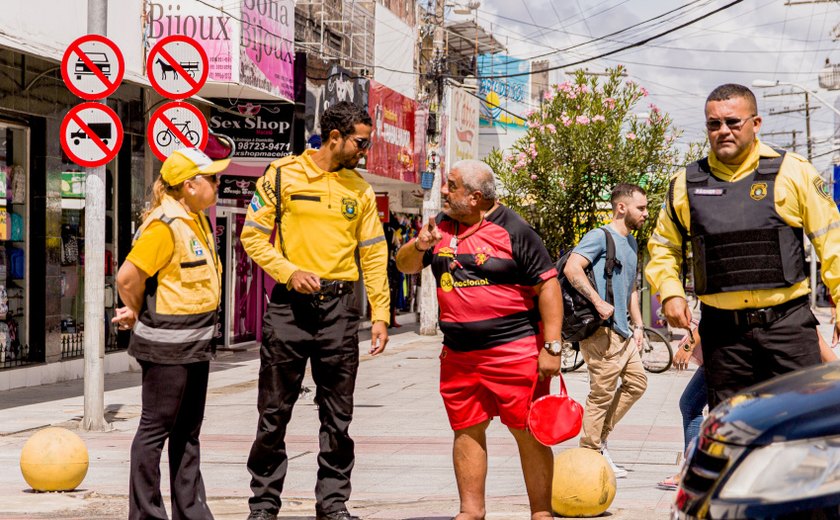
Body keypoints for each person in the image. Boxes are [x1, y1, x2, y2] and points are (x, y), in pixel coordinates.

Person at [645, 83, 840, 409]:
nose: (723, 130)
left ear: (756, 123)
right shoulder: (686, 184)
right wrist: (670, 291)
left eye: (733, 122)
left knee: (802, 434)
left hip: (788, 329)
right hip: (724, 336)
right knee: (733, 438)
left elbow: (832, 239)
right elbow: (664, 245)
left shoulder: (793, 172)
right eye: (714, 124)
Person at [239, 101, 390, 520]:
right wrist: (288, 272)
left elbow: (375, 255)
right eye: (361, 142)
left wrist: (379, 313)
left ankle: (333, 504)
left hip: (340, 310)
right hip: (290, 309)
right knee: (273, 413)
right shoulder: (282, 174)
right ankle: (264, 505)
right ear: (335, 137)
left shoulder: (359, 190)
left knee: (338, 415)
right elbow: (253, 238)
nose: (366, 150)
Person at [395, 160, 562, 520]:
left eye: (451, 185)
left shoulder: (514, 229)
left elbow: (548, 286)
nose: (443, 190)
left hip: (514, 352)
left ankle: (541, 512)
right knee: (466, 429)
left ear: (473, 197)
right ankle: (471, 512)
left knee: (526, 431)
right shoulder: (440, 227)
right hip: (458, 356)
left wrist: (552, 347)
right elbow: (404, 265)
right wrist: (421, 246)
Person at [113, 147, 229, 519]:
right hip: (166, 349)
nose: (217, 184)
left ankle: (191, 512)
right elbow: (128, 277)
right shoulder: (164, 226)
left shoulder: (197, 220)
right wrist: (133, 309)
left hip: (196, 347)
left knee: (188, 434)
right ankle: (147, 513)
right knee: (154, 431)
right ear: (189, 185)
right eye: (211, 178)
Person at [563, 183, 649, 478]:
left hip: (624, 333)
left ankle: (599, 440)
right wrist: (598, 301)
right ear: (621, 207)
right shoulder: (599, 236)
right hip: (602, 332)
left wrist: (638, 325)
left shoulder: (633, 243)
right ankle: (591, 452)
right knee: (600, 395)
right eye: (641, 208)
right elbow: (572, 268)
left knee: (637, 383)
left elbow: (632, 289)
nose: (645, 214)